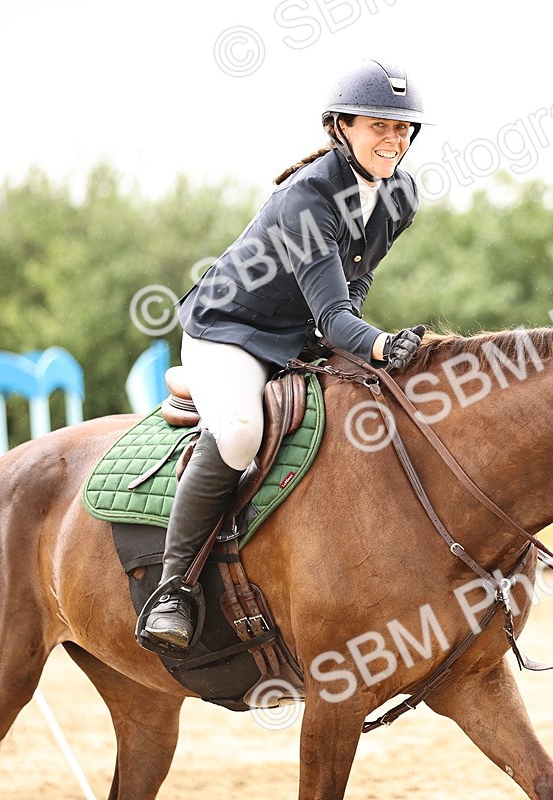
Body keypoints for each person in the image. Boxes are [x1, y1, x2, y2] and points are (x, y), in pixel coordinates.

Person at [140, 59, 429, 652]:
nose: (394, 140)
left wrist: (359, 339)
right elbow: (334, 312)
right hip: (231, 331)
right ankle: (172, 591)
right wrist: (374, 343)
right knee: (242, 434)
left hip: (301, 334)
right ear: (340, 126)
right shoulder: (306, 200)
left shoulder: (399, 196)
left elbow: (353, 285)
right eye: (379, 126)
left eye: (403, 129)